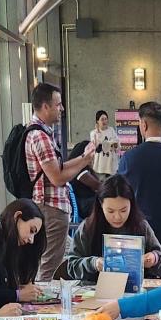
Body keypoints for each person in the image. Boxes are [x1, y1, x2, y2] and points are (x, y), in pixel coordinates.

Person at [25, 81, 96, 279]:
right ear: (45, 106)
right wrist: (84, 162)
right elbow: (56, 177)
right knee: (50, 265)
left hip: (49, 206)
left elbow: (58, 167)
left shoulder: (42, 133)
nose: (62, 109)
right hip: (51, 207)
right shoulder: (40, 136)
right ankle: (43, 306)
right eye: (58, 104)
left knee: (57, 257)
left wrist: (85, 158)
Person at [116, 100, 161, 276]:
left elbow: (119, 194)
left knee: (137, 290)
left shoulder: (130, 158)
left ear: (144, 124)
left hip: (138, 235)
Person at [60, 174, 161, 282]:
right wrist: (94, 263)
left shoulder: (141, 226)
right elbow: (71, 265)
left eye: (123, 210)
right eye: (110, 211)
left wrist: (154, 257)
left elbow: (160, 256)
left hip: (135, 291)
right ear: (101, 205)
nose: (117, 217)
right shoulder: (88, 228)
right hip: (94, 291)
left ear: (131, 204)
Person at [89, 110, 121, 177]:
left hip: (111, 163)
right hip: (100, 164)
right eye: (102, 119)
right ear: (97, 121)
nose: (104, 121)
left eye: (106, 119)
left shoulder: (111, 130)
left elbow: (117, 144)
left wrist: (112, 145)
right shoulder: (93, 133)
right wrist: (98, 132)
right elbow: (97, 147)